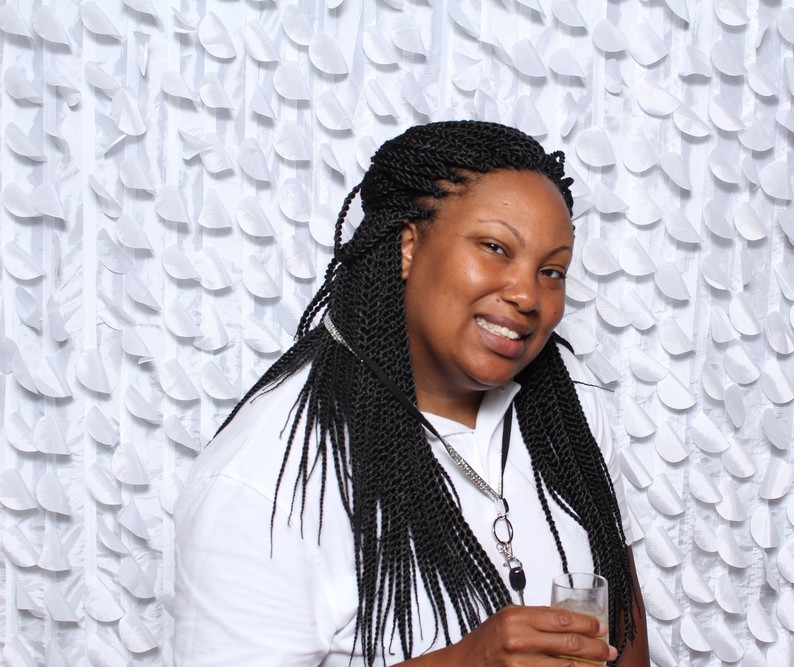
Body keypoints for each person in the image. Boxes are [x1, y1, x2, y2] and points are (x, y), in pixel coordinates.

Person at [171, 120, 649, 666]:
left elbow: (624, 627)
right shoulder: (267, 478)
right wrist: (464, 663)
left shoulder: (570, 409)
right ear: (407, 244)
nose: (527, 295)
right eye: (495, 247)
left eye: (552, 271)